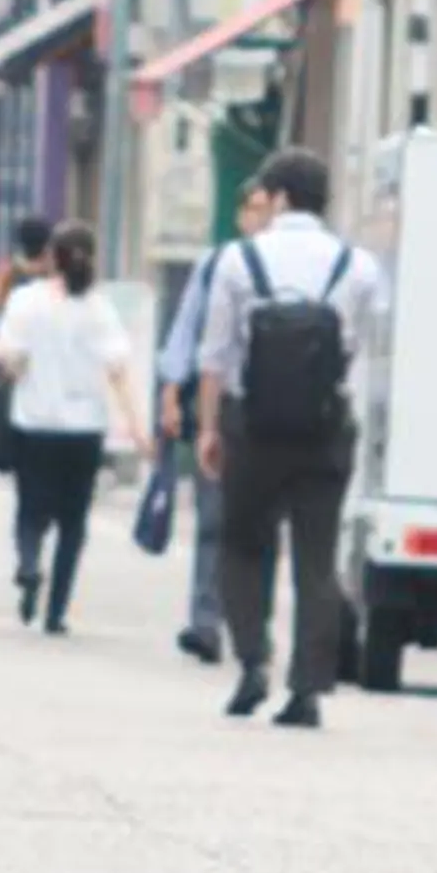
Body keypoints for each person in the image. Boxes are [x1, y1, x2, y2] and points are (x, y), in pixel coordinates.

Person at [194, 150, 389, 730]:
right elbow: (372, 343)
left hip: (251, 424)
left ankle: (253, 658)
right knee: (316, 558)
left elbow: (215, 354)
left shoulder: (237, 260)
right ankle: (307, 689)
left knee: (242, 545)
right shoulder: (357, 266)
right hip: (327, 426)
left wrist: (208, 426)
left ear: (277, 198)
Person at [0, 221, 143, 635]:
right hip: (84, 429)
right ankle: (56, 611)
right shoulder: (100, 307)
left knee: (30, 508)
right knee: (73, 521)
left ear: (52, 258)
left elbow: (13, 362)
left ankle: (30, 562)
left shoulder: (26, 301)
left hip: (33, 422)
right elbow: (118, 370)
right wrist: (137, 427)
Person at [153, 181, 276, 664]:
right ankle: (206, 622)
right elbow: (188, 328)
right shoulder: (217, 263)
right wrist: (170, 390)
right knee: (213, 518)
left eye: (269, 208)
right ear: (241, 215)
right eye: (254, 209)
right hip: (222, 406)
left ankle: (251, 623)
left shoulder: (294, 265)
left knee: (260, 526)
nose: (261, 218)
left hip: (276, 413)